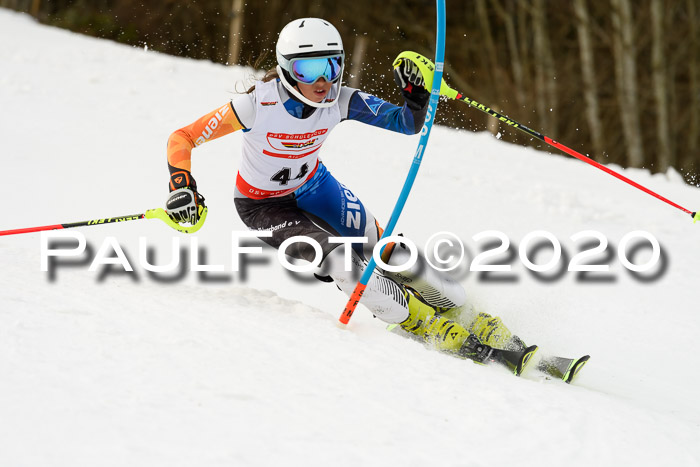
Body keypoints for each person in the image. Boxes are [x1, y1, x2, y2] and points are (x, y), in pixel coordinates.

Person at [164, 17, 518, 362]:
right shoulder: (256, 105)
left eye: (331, 66)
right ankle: (422, 322)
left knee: (390, 251)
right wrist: (181, 185)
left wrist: (415, 97)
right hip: (262, 208)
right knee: (341, 260)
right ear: (287, 71)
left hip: (315, 186)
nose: (322, 81)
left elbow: (407, 124)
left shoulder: (340, 100)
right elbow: (183, 137)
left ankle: (465, 312)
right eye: (307, 70)